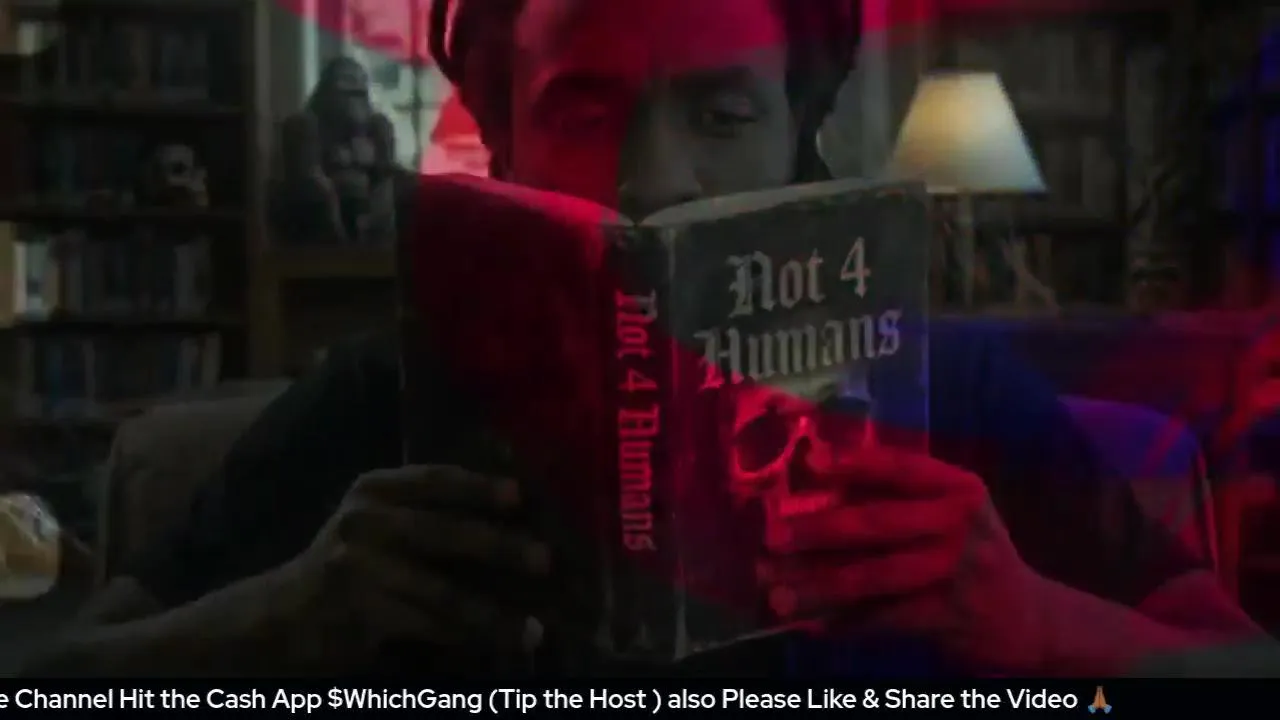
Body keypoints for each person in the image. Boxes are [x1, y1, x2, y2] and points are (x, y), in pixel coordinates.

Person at [26, 0, 1265, 677]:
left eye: (723, 113)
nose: (655, 179)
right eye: (583, 106)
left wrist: (1036, 624)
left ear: (794, 135)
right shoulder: (384, 394)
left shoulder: (945, 384)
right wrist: (282, 619)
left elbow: (1239, 661)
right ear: (502, 140)